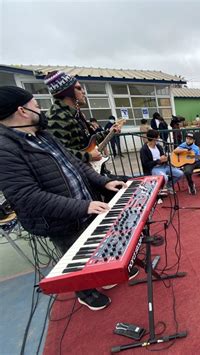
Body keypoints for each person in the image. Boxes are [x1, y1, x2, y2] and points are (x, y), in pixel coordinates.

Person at [0, 86, 130, 311]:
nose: (41, 111)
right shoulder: (5, 150)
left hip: (83, 206)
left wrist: (102, 182)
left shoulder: (44, 135)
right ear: (22, 111)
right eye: (36, 106)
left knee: (93, 249)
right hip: (60, 220)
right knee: (74, 257)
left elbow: (76, 164)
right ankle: (85, 293)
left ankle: (99, 277)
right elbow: (28, 197)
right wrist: (84, 206)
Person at [44, 71, 118, 163]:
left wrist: (109, 132)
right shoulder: (56, 117)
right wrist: (89, 156)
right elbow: (57, 152)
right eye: (79, 88)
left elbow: (89, 141)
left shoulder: (74, 114)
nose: (83, 92)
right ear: (68, 92)